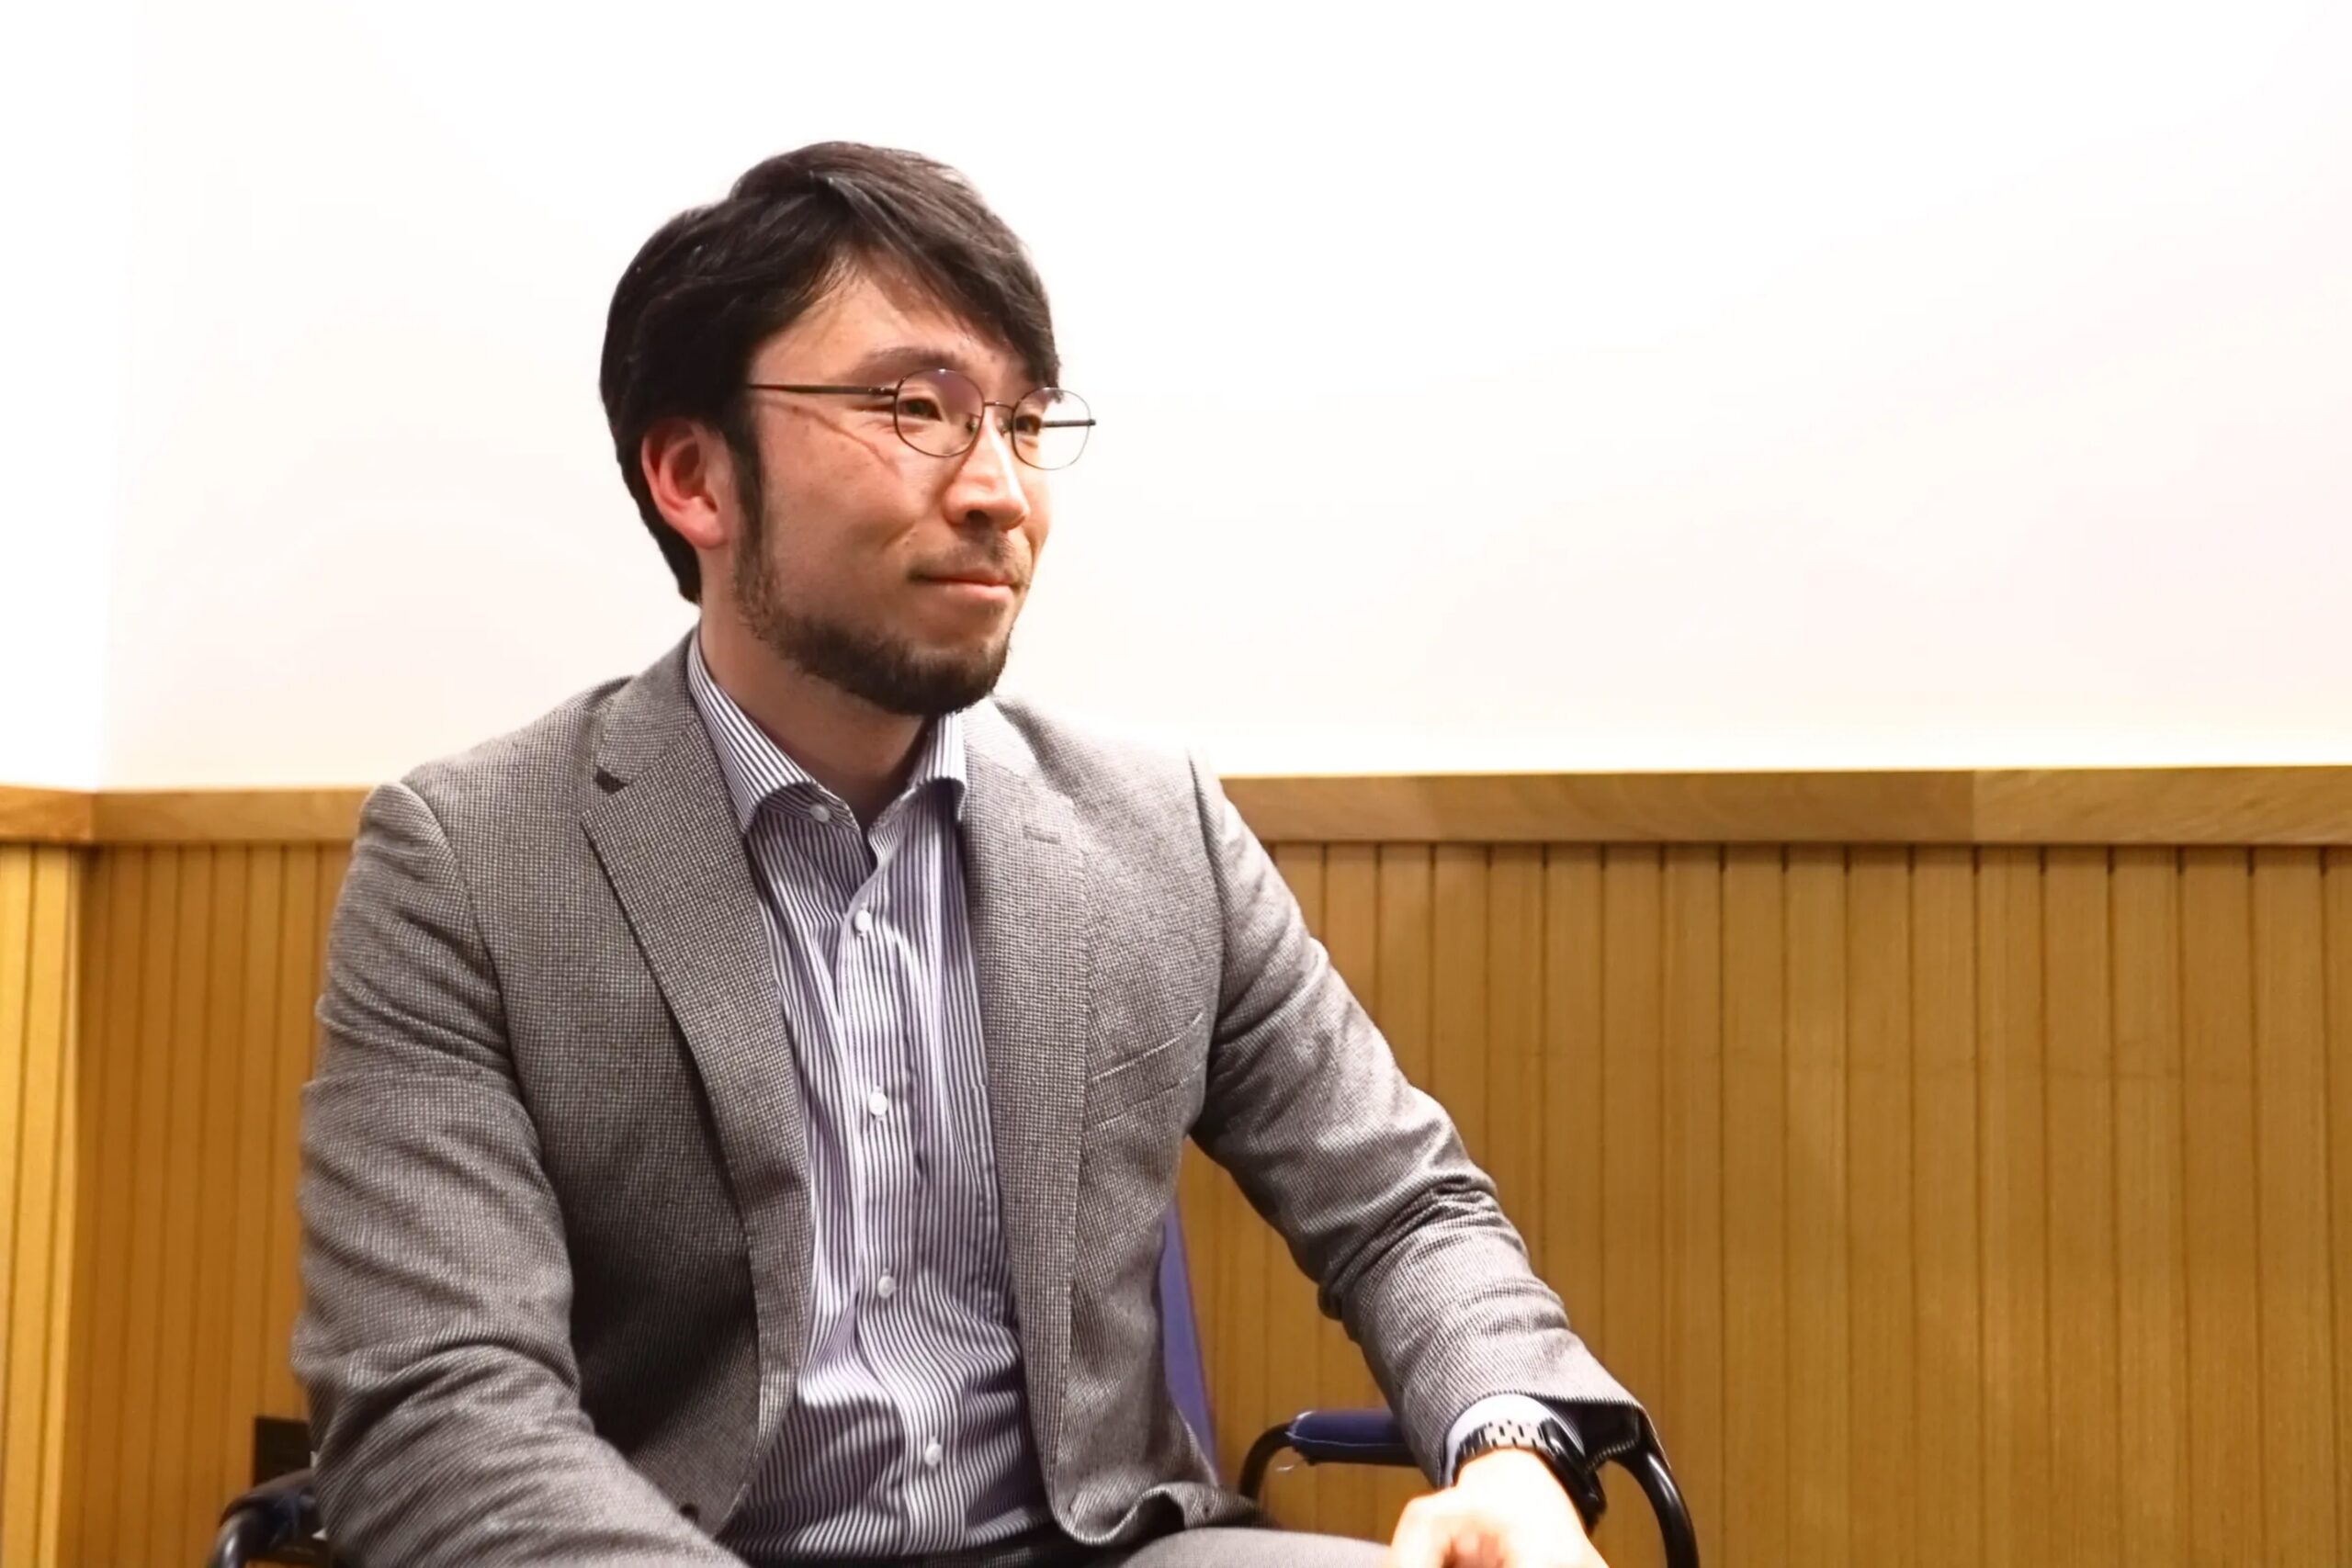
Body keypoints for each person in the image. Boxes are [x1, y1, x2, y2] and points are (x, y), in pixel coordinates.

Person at [293, 141, 1647, 1568]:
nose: (1001, 489)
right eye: (919, 410)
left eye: (1024, 421)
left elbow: (1400, 1205)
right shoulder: (471, 864)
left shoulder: (1151, 822)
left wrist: (1514, 1449)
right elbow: (439, 1406)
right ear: (696, 476)